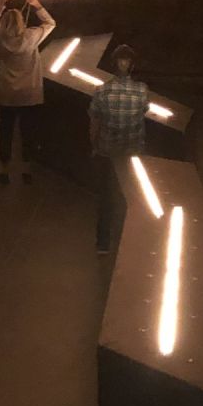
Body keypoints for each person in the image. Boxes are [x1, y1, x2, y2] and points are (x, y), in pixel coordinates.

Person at [0, 0, 56, 185]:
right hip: (28, 92)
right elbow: (50, 23)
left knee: (5, 130)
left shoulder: (0, 36)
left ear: (4, 23)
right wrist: (37, 5)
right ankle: (26, 170)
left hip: (7, 92)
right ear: (22, 22)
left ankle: (4, 170)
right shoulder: (31, 37)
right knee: (27, 131)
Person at [88, 45, 152, 254]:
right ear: (132, 65)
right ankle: (128, 241)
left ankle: (103, 243)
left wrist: (95, 146)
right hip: (132, 152)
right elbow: (143, 112)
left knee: (106, 197)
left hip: (108, 151)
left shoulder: (102, 90)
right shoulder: (142, 90)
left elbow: (95, 122)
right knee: (129, 196)